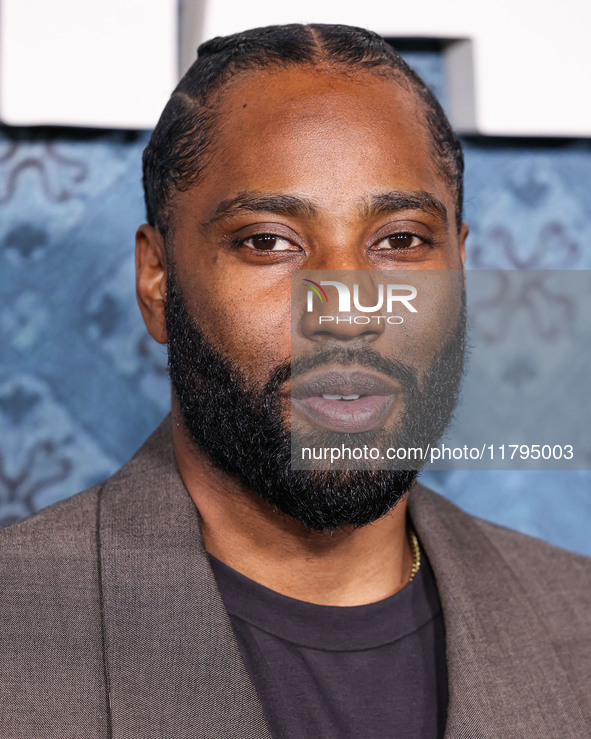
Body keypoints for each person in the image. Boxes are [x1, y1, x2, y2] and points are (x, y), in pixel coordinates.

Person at [1, 23, 589, 739]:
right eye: (267, 241)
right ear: (156, 280)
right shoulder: (18, 630)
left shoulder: (575, 620)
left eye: (400, 240)